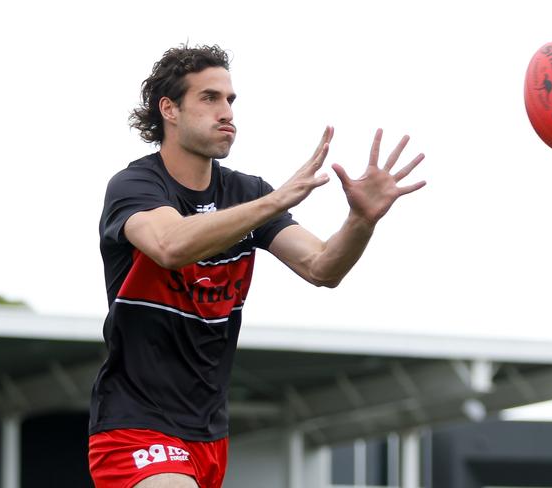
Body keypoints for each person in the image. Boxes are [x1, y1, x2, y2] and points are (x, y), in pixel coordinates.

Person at [88, 44, 426, 488]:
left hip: (209, 434)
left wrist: (361, 220)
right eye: (209, 98)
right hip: (134, 424)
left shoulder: (247, 193)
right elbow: (170, 245)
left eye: (230, 100)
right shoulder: (135, 185)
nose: (226, 111)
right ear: (168, 109)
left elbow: (323, 266)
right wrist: (274, 201)